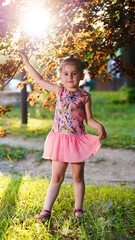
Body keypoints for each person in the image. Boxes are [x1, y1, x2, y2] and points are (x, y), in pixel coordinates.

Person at [21, 53, 107, 220]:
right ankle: (46, 211)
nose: (70, 77)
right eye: (66, 74)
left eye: (74, 73)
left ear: (82, 76)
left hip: (77, 141)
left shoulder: (85, 96)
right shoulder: (59, 91)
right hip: (60, 140)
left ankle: (78, 210)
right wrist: (26, 62)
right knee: (57, 177)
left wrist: (99, 126)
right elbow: (39, 80)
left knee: (78, 177)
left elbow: (89, 119)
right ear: (60, 75)